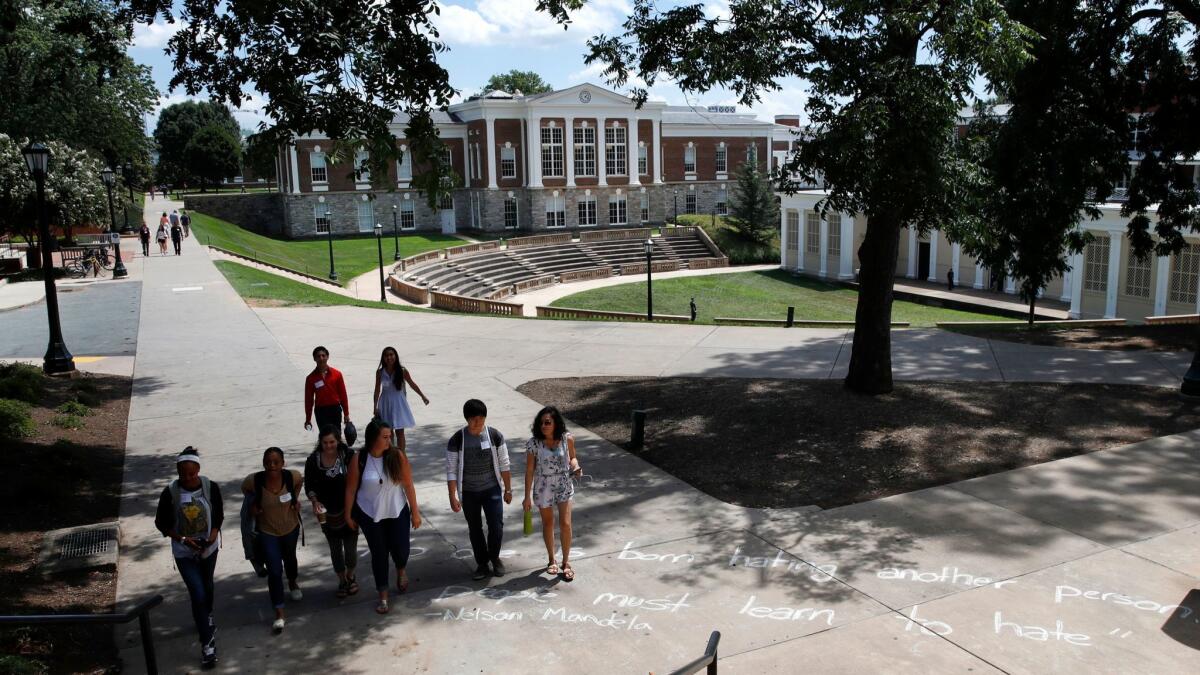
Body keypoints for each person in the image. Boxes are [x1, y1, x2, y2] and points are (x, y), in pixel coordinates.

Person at [154, 447, 222, 669]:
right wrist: (182, 539)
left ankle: (206, 617)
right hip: (184, 552)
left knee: (207, 589)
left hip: (208, 550)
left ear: (198, 470)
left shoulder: (210, 487)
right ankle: (208, 645)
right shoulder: (170, 493)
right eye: (183, 474)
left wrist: (212, 536)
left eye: (192, 474)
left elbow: (219, 514)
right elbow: (161, 524)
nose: (188, 478)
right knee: (198, 592)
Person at [344, 419, 421, 614]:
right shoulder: (359, 458)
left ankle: (401, 569)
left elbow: (409, 485)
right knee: (379, 554)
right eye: (385, 437)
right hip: (370, 513)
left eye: (390, 437)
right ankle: (383, 595)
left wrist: (415, 512)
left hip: (396, 510)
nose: (389, 441)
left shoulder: (397, 456)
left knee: (401, 548)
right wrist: (348, 514)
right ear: (372, 438)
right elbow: (351, 489)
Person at [445, 399, 512, 580]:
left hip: (491, 490)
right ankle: (482, 563)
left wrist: (508, 489)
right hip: (469, 493)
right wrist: (453, 495)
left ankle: (495, 557)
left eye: (481, 419)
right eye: (474, 420)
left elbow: (505, 464)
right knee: (475, 528)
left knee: (496, 526)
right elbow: (451, 470)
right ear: (467, 419)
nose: (478, 423)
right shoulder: (457, 439)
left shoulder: (494, 435)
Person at [242, 447, 304, 634]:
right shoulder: (255, 480)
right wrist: (253, 506)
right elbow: (245, 488)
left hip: (290, 529)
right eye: (268, 462)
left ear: (283, 463)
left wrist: (295, 500)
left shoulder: (291, 477)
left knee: (290, 559)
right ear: (263, 464)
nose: (272, 465)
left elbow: (299, 483)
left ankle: (293, 581)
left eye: (276, 462)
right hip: (267, 532)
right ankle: (279, 612)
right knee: (275, 571)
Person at [522, 406, 583, 582]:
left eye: (547, 422)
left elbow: (572, 457)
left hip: (564, 483)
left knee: (565, 523)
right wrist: (526, 496)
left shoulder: (567, 438)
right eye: (541, 423)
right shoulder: (534, 443)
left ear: (556, 423)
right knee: (548, 523)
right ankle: (551, 559)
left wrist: (575, 466)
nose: (544, 425)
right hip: (543, 486)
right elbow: (529, 470)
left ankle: (566, 562)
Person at [304, 427, 360, 598]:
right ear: (320, 443)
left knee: (350, 551)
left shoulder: (349, 456)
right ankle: (342, 580)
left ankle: (351, 575)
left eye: (332, 442)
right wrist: (315, 501)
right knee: (335, 550)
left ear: (338, 441)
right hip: (328, 515)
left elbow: (359, 480)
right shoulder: (313, 460)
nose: (329, 446)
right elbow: (310, 486)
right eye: (325, 442)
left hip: (350, 511)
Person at [373, 346, 429, 452]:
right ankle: (390, 454)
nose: (389, 358)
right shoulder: (380, 373)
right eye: (386, 355)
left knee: (400, 432)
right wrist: (375, 406)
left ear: (395, 356)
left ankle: (401, 455)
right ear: (383, 358)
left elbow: (412, 384)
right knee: (388, 432)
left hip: (398, 403)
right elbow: (376, 390)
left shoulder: (402, 371)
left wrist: (422, 396)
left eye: (391, 355)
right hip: (385, 403)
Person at [304, 346, 351, 440]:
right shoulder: (310, 378)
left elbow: (343, 395)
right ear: (314, 359)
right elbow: (309, 400)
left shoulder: (337, 374)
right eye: (318, 356)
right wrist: (308, 419)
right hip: (321, 412)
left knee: (337, 435)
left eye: (323, 355)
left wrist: (346, 414)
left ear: (327, 357)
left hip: (335, 410)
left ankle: (338, 454)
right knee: (325, 437)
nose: (321, 358)